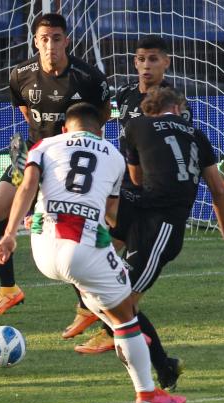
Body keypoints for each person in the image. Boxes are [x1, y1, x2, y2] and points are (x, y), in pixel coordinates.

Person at [0, 102, 186, 403]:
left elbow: (28, 186)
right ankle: (146, 392)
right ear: (100, 130)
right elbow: (110, 213)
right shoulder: (113, 155)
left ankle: (120, 333)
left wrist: (11, 233)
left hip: (42, 250)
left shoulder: (44, 145)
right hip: (82, 247)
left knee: (102, 300)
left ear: (66, 128)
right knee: (127, 316)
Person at [111, 87, 224, 389]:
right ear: (178, 107)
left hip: (153, 224)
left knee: (119, 303)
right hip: (164, 226)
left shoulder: (136, 125)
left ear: (148, 110)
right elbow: (219, 189)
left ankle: (159, 366)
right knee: (115, 302)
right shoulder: (197, 134)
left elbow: (135, 179)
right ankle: (160, 364)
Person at [0, 13, 111, 318]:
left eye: (56, 38)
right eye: (44, 39)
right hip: (32, 151)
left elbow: (102, 115)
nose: (50, 45)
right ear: (35, 42)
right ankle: (8, 290)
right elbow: (27, 113)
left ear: (66, 40)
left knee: (66, 230)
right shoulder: (20, 75)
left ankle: (87, 305)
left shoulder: (89, 77)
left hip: (68, 158)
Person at [74, 35, 190, 354]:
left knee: (119, 262)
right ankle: (98, 315)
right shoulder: (124, 96)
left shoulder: (174, 103)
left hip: (151, 198)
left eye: (154, 59)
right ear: (135, 62)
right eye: (141, 59)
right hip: (126, 188)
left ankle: (112, 326)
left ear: (166, 62)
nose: (146, 65)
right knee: (94, 251)